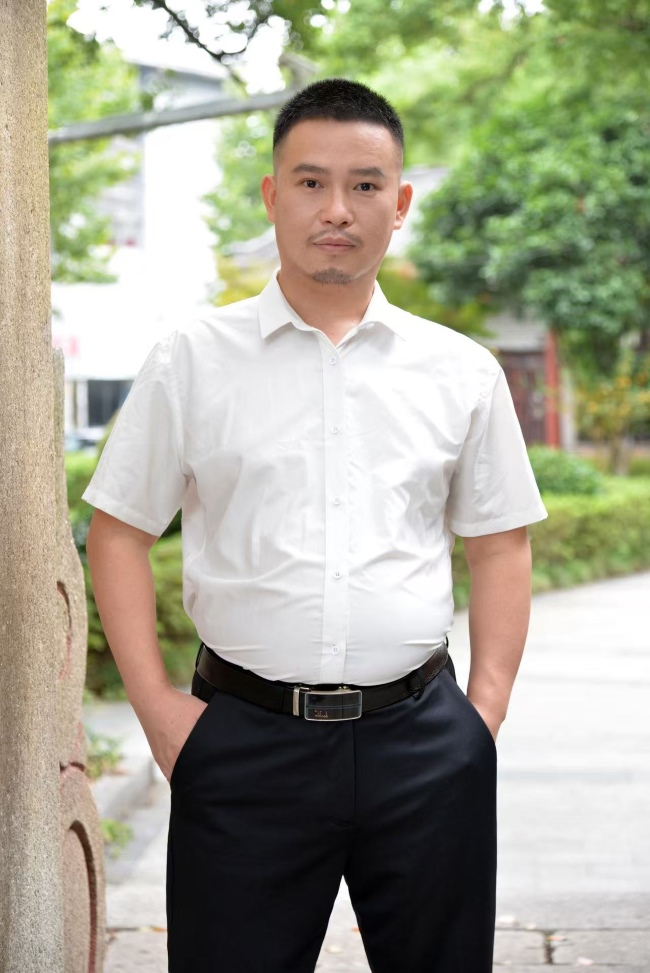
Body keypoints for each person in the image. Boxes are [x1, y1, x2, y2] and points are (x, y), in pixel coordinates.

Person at [84, 78, 548, 973]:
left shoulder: (460, 370)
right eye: (310, 182)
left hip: (424, 745)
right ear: (272, 196)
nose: (337, 208)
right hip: (242, 743)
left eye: (365, 185)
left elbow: (499, 544)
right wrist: (159, 713)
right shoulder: (192, 358)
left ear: (399, 204)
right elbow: (119, 529)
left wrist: (479, 723)